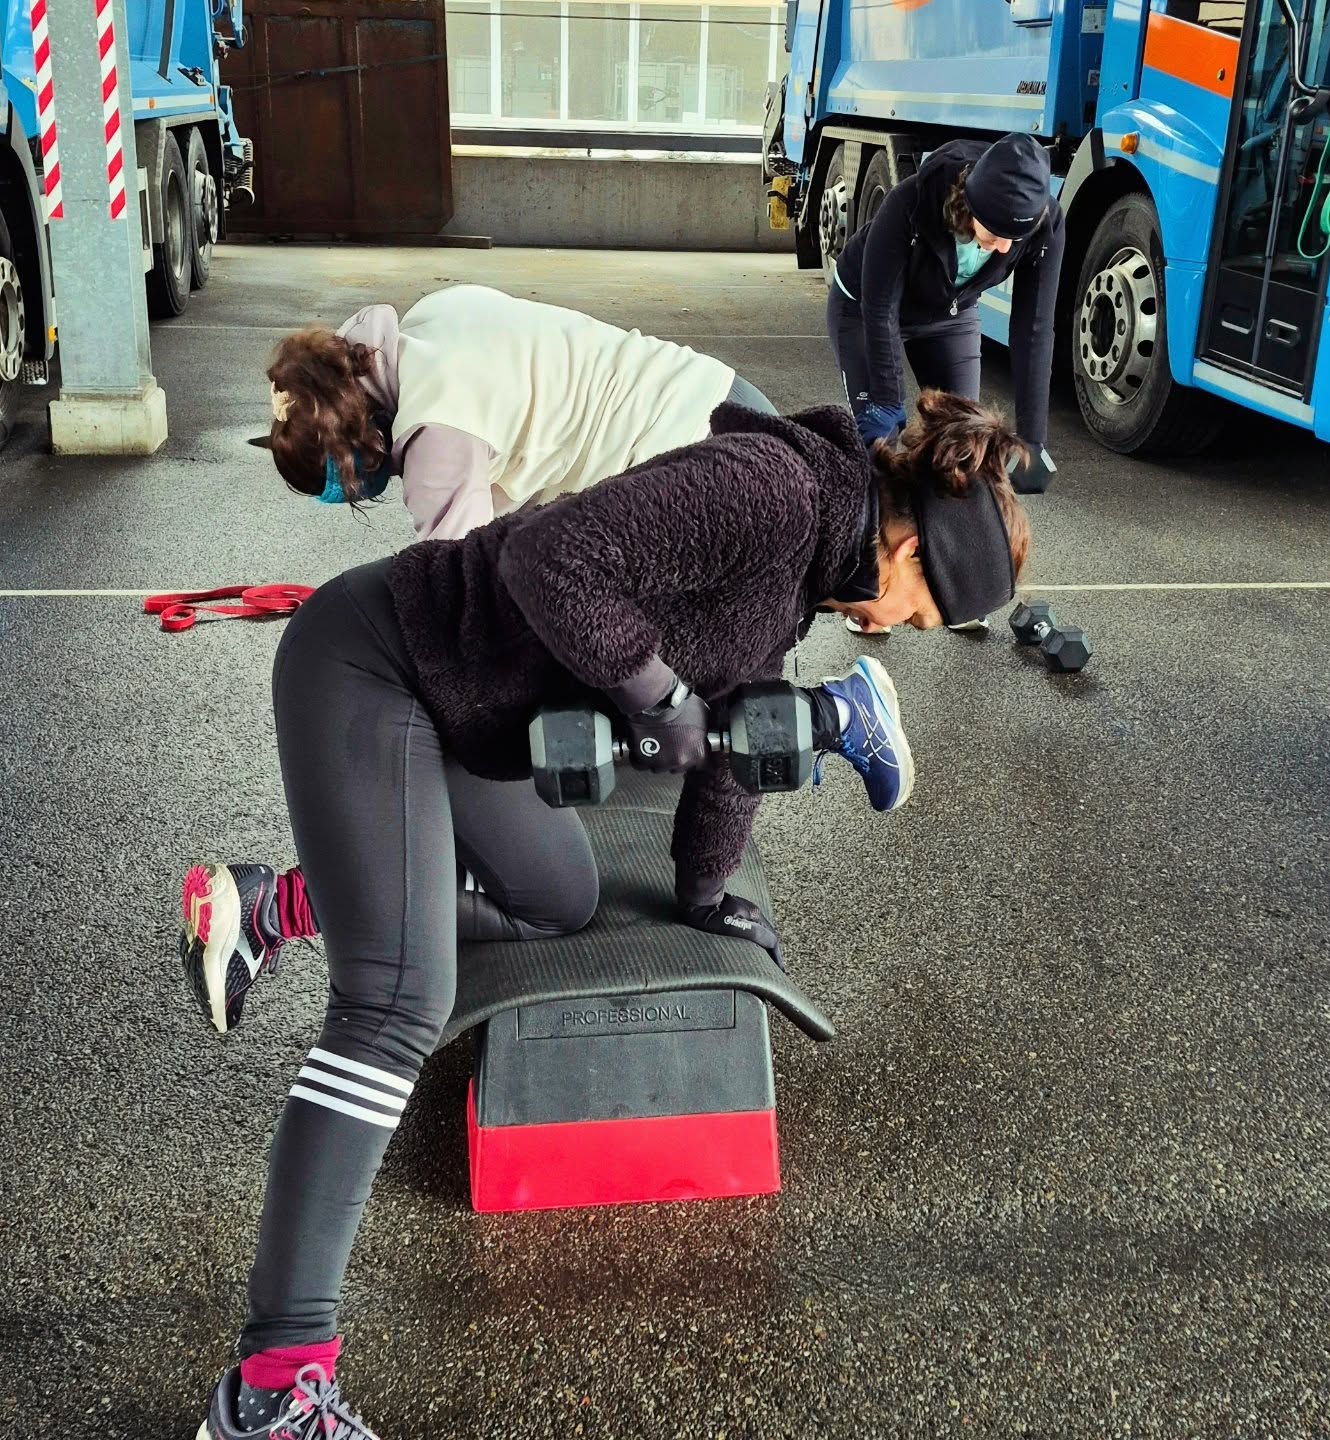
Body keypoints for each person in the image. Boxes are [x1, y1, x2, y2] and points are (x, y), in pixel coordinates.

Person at [190, 387, 1031, 1438]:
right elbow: (549, 559)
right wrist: (655, 697)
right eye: (922, 607)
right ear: (911, 548)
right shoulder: (770, 494)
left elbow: (736, 718)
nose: (904, 624)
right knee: (398, 1001)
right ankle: (268, 1392)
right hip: (380, 666)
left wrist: (707, 895)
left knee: (559, 897)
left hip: (466, 722)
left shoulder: (800, 577)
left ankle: (285, 903)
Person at [265, 283, 777, 542]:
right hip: (726, 394)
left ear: (362, 443)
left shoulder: (437, 434)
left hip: (693, 464)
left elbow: (459, 586)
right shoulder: (431, 314)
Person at [828, 133, 1065, 498]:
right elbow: (880, 308)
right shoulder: (909, 203)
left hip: (948, 315)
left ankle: (937, 541)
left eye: (1014, 240)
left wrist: (1032, 439)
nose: (1004, 248)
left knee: (962, 447)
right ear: (967, 207)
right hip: (863, 308)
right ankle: (868, 541)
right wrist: (888, 400)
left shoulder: (1043, 224)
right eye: (997, 234)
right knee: (878, 444)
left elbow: (1034, 328)